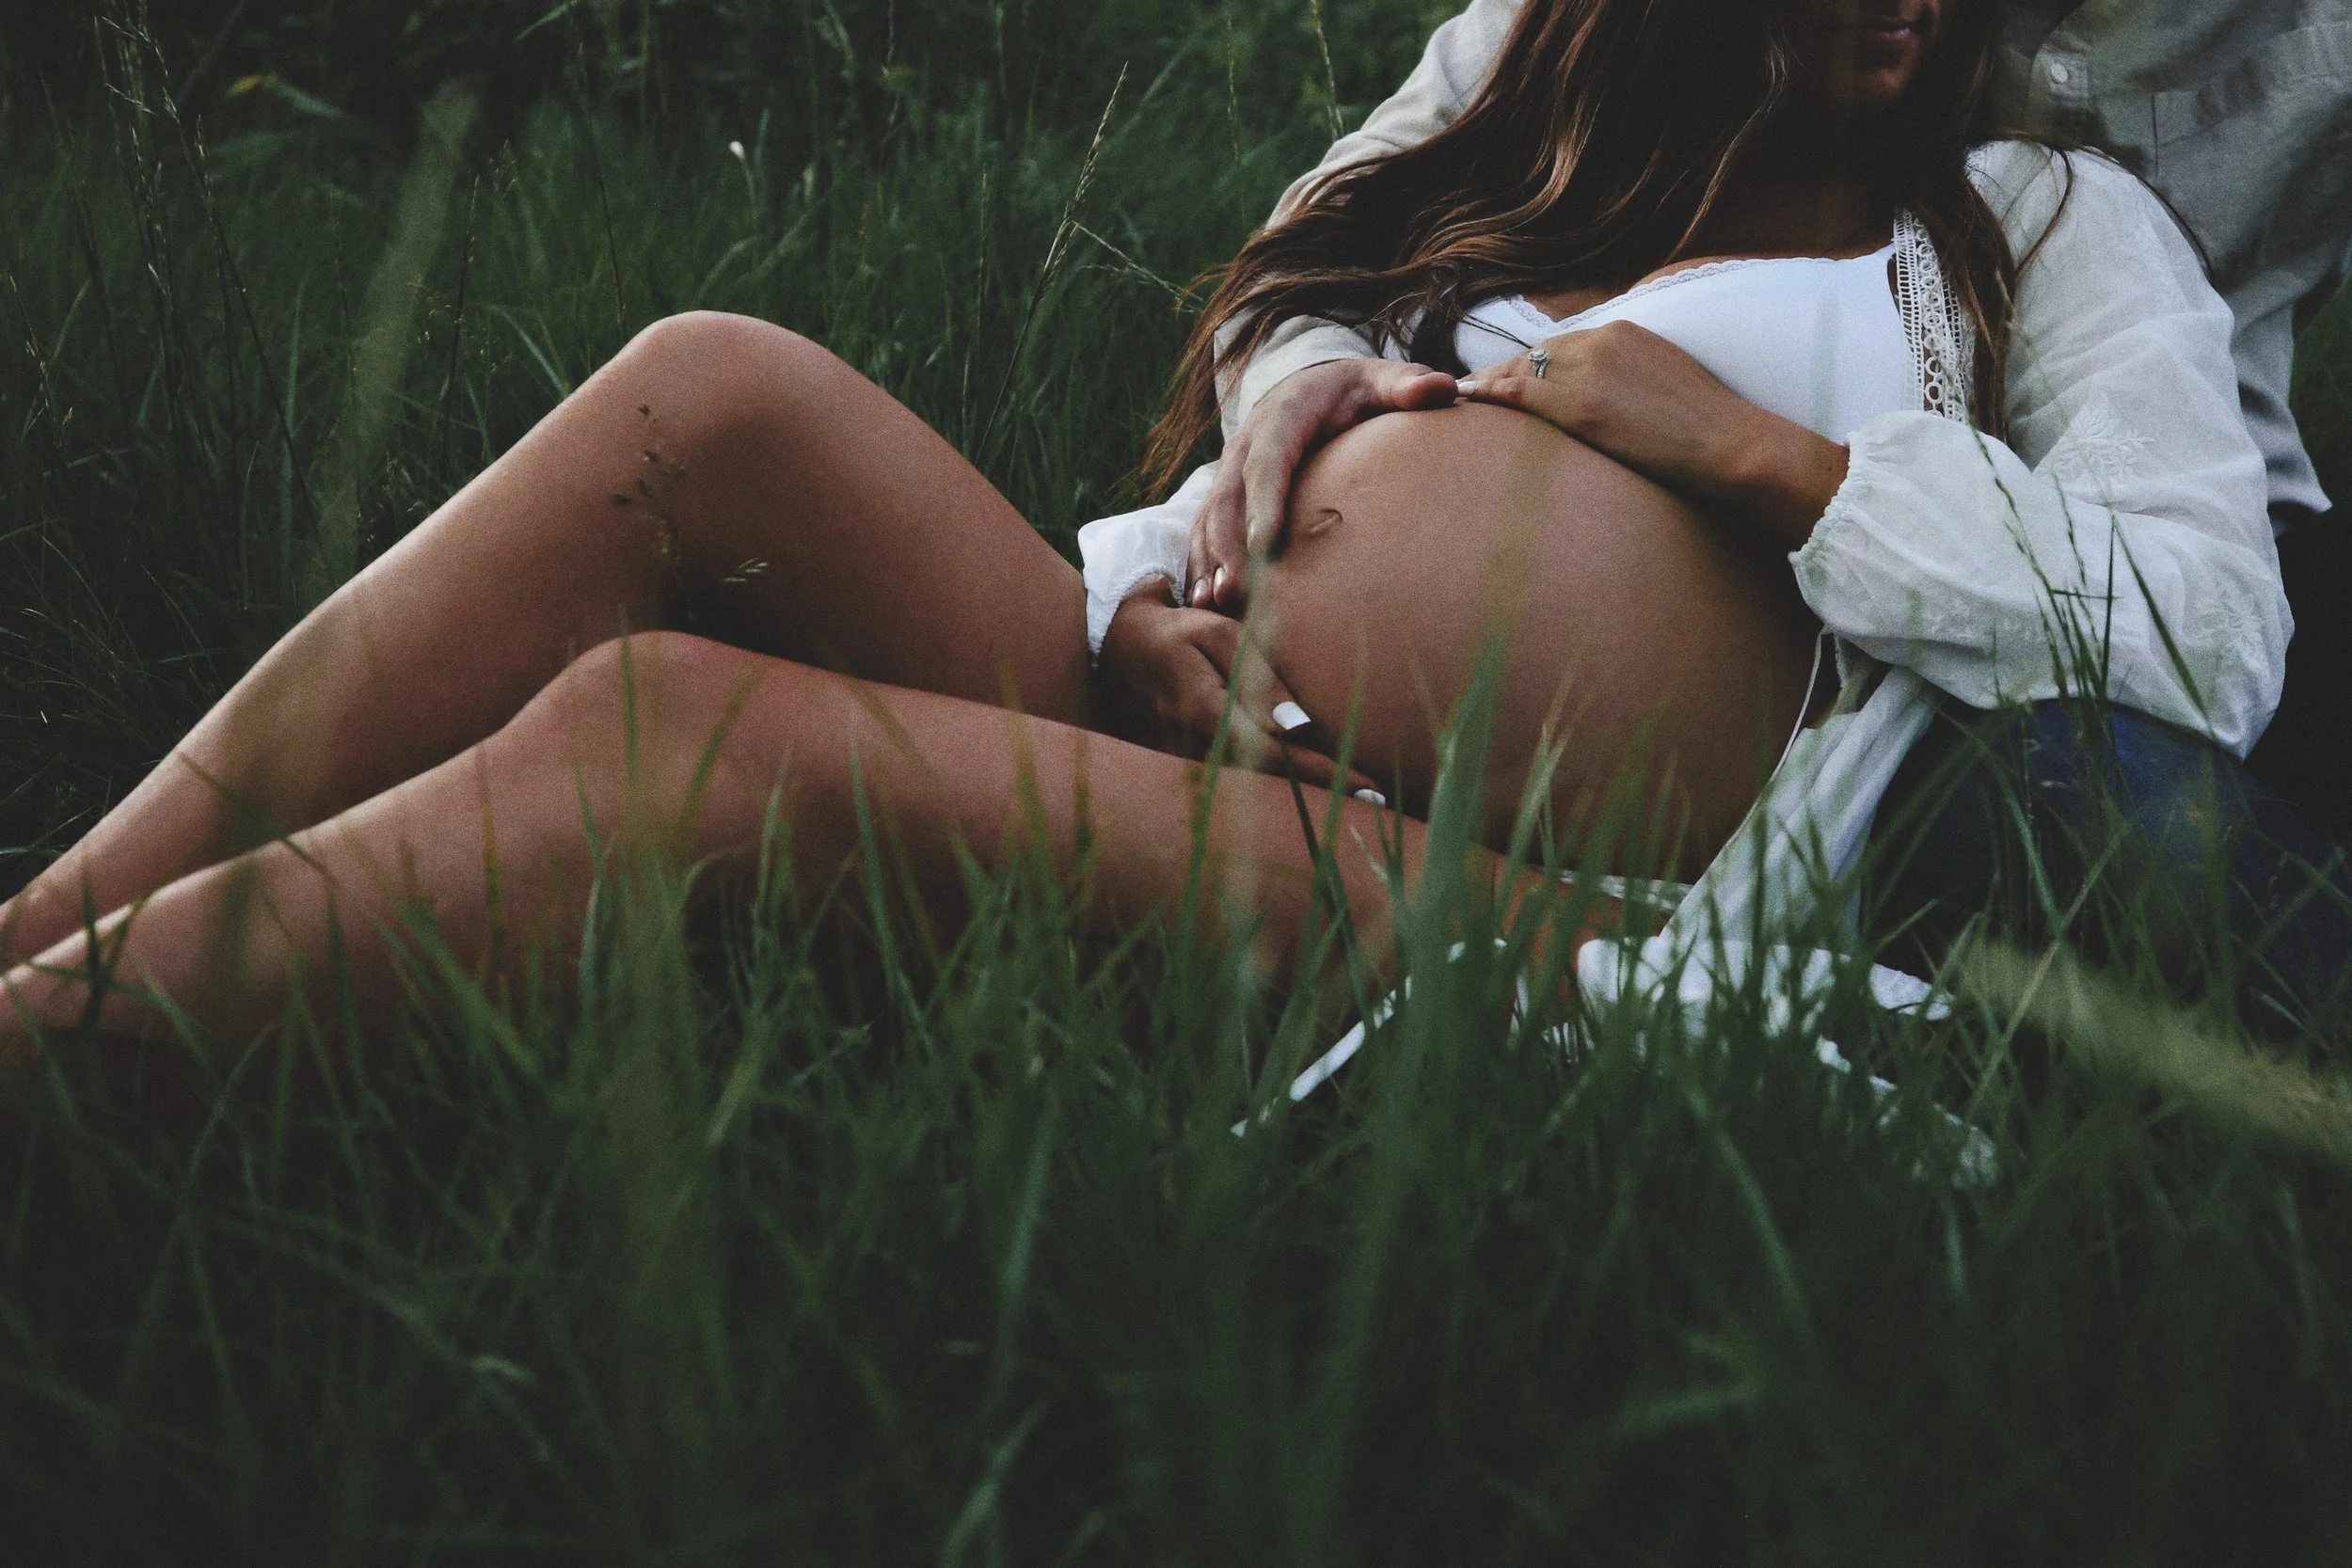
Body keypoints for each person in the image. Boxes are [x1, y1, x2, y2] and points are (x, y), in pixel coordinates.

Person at [0, 0, 2297, 1057]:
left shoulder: (2041, 225)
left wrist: (1764, 459)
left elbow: (2205, 628)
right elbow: (1297, 289)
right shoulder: (1527, 100)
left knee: (682, 729)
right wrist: (1224, 515)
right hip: (1151, 672)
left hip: (1547, 888)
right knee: (706, 383)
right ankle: (50, 932)